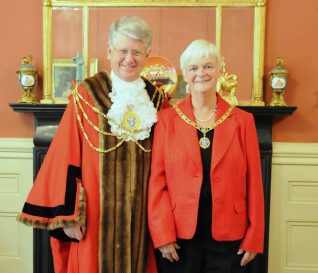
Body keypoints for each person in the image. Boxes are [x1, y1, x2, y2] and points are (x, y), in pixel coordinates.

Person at [17, 16, 165, 273]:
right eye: (123, 50)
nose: (129, 58)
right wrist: (69, 217)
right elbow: (65, 157)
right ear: (109, 50)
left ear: (147, 54)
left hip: (142, 221)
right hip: (95, 220)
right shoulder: (87, 94)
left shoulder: (157, 100)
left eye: (137, 52)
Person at [147, 39, 264, 273]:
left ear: (220, 70)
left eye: (208, 66)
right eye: (193, 68)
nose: (201, 73)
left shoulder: (243, 121)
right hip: (179, 237)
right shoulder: (166, 121)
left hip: (230, 236)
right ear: (185, 74)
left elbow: (254, 184)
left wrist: (255, 235)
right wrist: (162, 235)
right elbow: (157, 184)